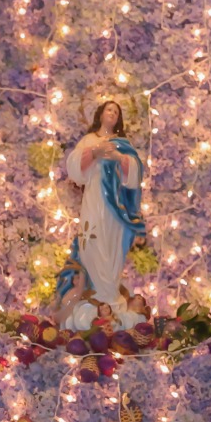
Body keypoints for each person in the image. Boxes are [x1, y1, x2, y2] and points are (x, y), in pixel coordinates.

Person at [53, 100, 148, 330]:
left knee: (113, 244)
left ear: (119, 118)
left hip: (116, 205)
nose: (112, 113)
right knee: (92, 241)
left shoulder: (122, 144)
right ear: (101, 114)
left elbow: (136, 173)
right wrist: (94, 152)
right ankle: (95, 292)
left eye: (116, 111)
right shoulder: (90, 140)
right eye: (109, 109)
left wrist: (118, 158)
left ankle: (110, 293)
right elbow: (74, 167)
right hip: (94, 199)